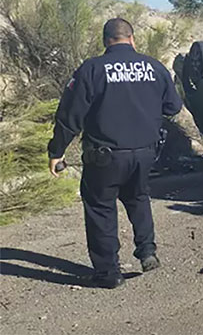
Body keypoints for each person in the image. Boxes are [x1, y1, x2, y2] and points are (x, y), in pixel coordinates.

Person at [48, 18, 183, 288]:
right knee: (138, 197)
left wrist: (56, 150)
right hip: (146, 153)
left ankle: (109, 273)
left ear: (105, 41)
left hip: (105, 156)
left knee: (100, 208)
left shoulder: (92, 69)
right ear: (132, 39)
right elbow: (173, 107)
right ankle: (147, 251)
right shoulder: (154, 67)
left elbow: (70, 115)